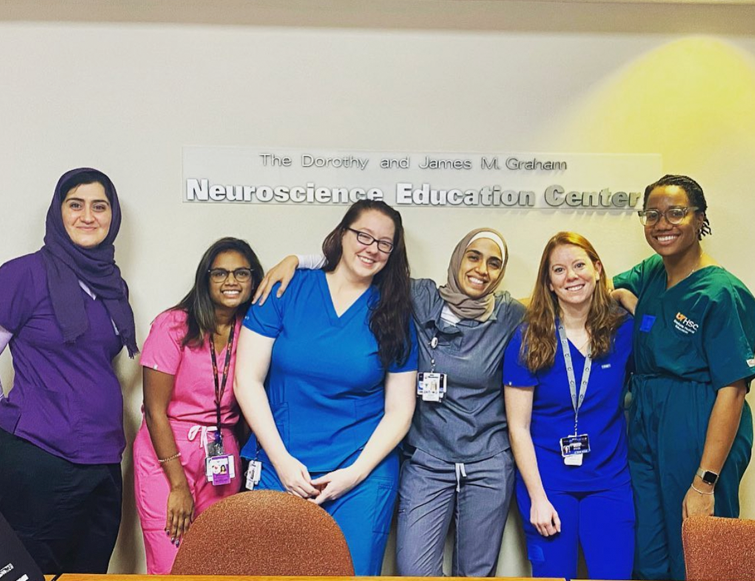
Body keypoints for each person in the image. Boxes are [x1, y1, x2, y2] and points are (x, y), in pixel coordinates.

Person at [256, 227, 525, 576]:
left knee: (476, 572)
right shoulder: (422, 296)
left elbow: (558, 299)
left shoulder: (508, 314)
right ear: (459, 257)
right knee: (414, 570)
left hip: (486, 459)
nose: (481, 269)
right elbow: (366, 264)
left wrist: (619, 294)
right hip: (428, 457)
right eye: (474, 256)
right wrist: (298, 260)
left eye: (494, 263)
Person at [233, 199, 418, 575]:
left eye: (385, 243)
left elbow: (401, 410)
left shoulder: (394, 312)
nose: (372, 248)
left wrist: (357, 472)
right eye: (364, 235)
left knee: (350, 572)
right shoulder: (287, 289)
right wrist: (282, 463)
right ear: (342, 234)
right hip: (279, 460)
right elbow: (246, 380)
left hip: (360, 471)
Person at [613, 174, 755, 581]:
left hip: (698, 424)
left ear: (700, 219)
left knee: (700, 552)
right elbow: (595, 287)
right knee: (650, 550)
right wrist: (626, 297)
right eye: (652, 214)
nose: (663, 223)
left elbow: (732, 390)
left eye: (676, 213)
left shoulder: (721, 292)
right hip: (645, 422)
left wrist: (705, 481)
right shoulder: (652, 273)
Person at [0, 168, 138, 574]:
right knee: (34, 572)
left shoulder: (113, 284)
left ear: (113, 217)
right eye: (75, 204)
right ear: (58, 212)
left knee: (89, 573)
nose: (88, 216)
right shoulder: (22, 274)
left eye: (100, 206)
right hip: (40, 457)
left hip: (103, 459)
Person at [503, 231, 634, 580]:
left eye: (579, 265)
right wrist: (537, 498)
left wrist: (628, 299)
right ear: (548, 282)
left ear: (597, 268)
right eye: (558, 270)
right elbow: (518, 428)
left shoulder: (623, 330)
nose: (571, 276)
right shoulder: (528, 337)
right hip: (548, 484)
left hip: (609, 482)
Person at [133, 237, 263, 574]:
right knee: (172, 564)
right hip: (168, 452)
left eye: (241, 273)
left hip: (221, 453)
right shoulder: (174, 325)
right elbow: (154, 411)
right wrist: (178, 485)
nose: (231, 281)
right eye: (219, 273)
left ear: (254, 280)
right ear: (205, 279)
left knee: (217, 562)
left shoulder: (252, 330)